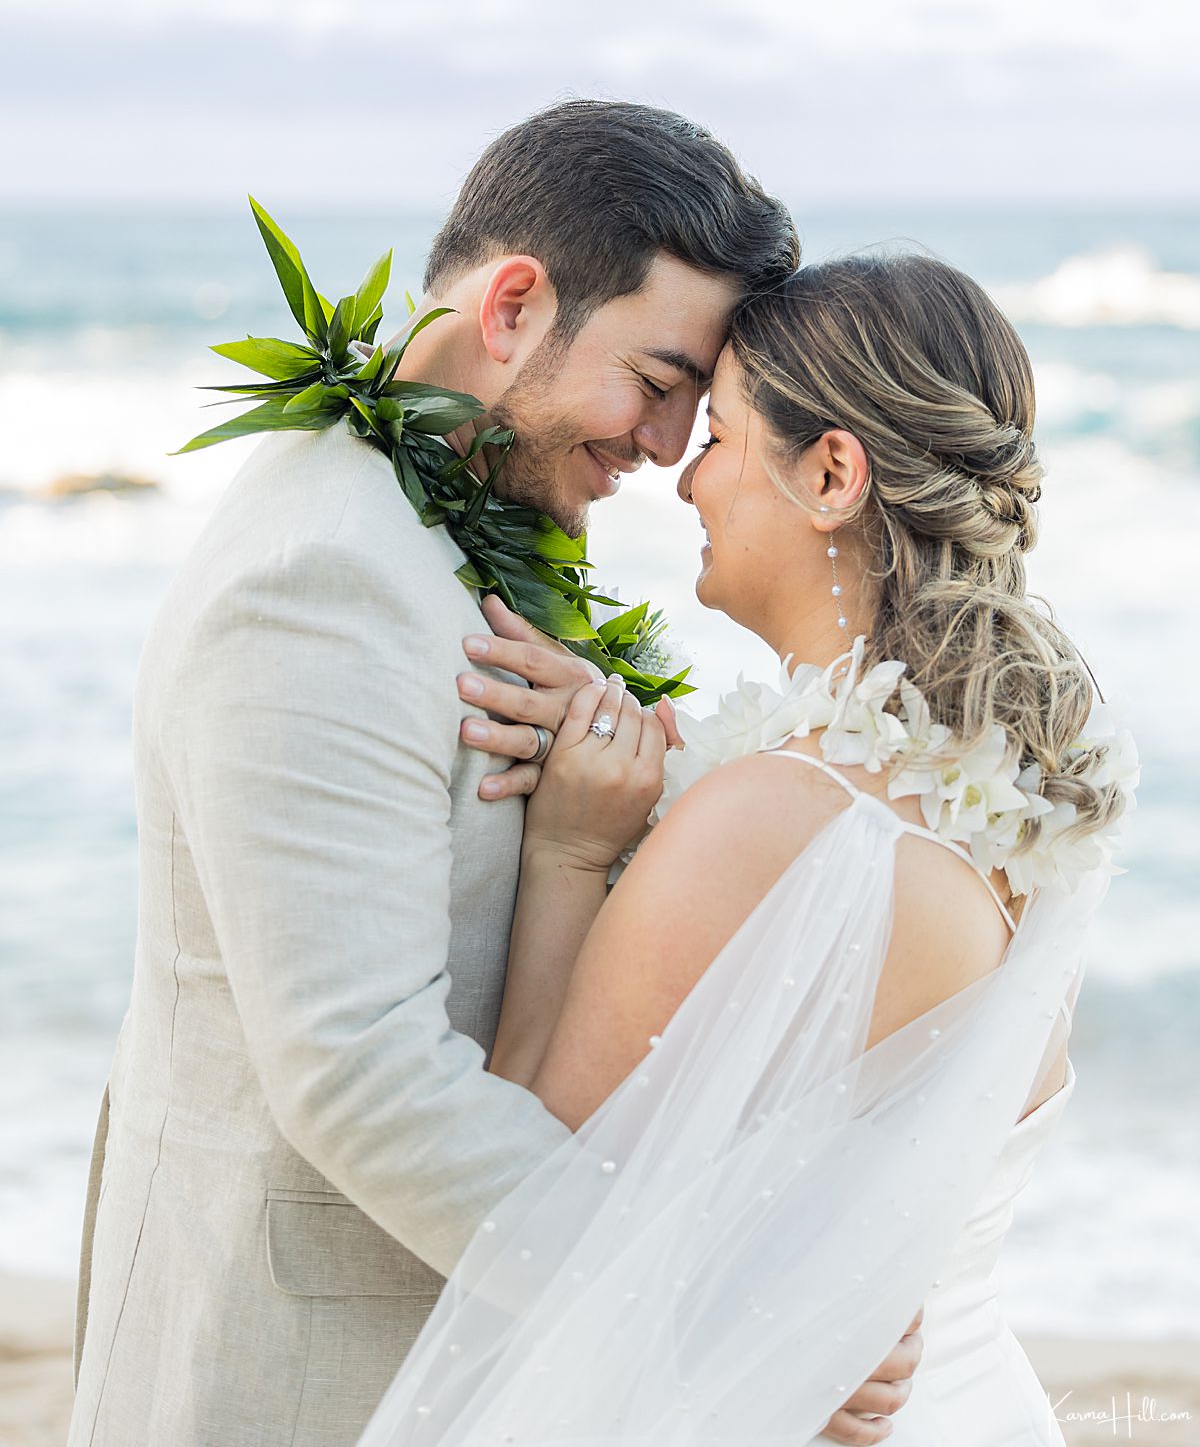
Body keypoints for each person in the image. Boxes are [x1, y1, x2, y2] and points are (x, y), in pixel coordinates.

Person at [67, 102, 917, 1446]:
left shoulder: (449, 524)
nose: (661, 449)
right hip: (300, 1372)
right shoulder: (321, 584)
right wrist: (718, 1311)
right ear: (515, 304)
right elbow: (363, 1075)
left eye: (691, 409)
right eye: (654, 382)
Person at [373, 250, 1136, 1445]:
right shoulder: (1029, 806)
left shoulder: (771, 822)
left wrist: (575, 853)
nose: (684, 480)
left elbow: (531, 1197)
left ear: (833, 472)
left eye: (720, 436)